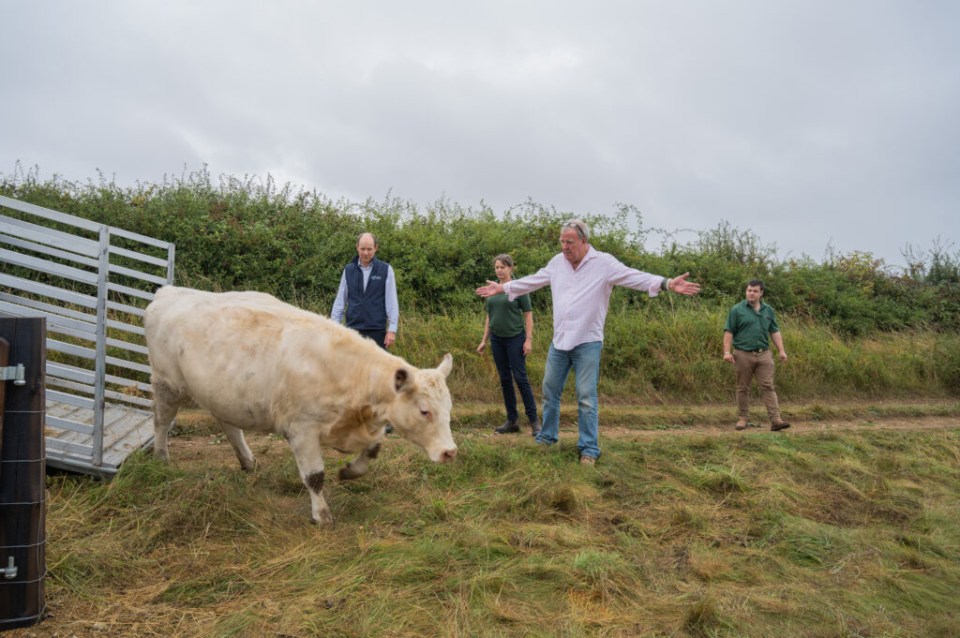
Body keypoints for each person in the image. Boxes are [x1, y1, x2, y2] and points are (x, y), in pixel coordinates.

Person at [476, 219, 700, 465]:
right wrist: (504, 288)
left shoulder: (603, 263)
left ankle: (589, 449)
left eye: (569, 242)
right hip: (560, 341)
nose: (564, 247)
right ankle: (547, 438)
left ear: (584, 241)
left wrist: (666, 283)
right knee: (550, 392)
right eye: (562, 242)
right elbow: (534, 280)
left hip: (587, 342)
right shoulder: (557, 263)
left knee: (585, 397)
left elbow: (633, 276)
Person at [476, 254, 540, 437]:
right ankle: (512, 421)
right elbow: (490, 316)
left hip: (515, 338)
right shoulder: (492, 290)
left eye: (502, 267)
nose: (499, 270)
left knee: (520, 378)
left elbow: (528, 315)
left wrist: (528, 340)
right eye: (496, 267)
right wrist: (484, 340)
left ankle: (534, 421)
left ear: (511, 268)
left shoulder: (518, 289)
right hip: (497, 339)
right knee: (505, 379)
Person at [722, 279, 791, 432]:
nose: (751, 293)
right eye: (749, 290)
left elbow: (774, 331)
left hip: (764, 354)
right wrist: (726, 352)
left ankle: (776, 420)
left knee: (768, 386)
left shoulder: (768, 310)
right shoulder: (737, 310)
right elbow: (729, 331)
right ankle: (743, 418)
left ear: (761, 293)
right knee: (743, 388)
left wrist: (781, 350)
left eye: (754, 291)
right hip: (742, 354)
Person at [331, 232, 399, 350]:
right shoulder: (348, 270)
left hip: (377, 331)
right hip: (353, 331)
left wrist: (392, 330)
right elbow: (340, 302)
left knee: (377, 368)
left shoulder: (386, 270)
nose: (365, 253)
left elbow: (392, 302)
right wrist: (333, 327)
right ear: (357, 247)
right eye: (362, 249)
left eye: (369, 249)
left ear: (376, 248)